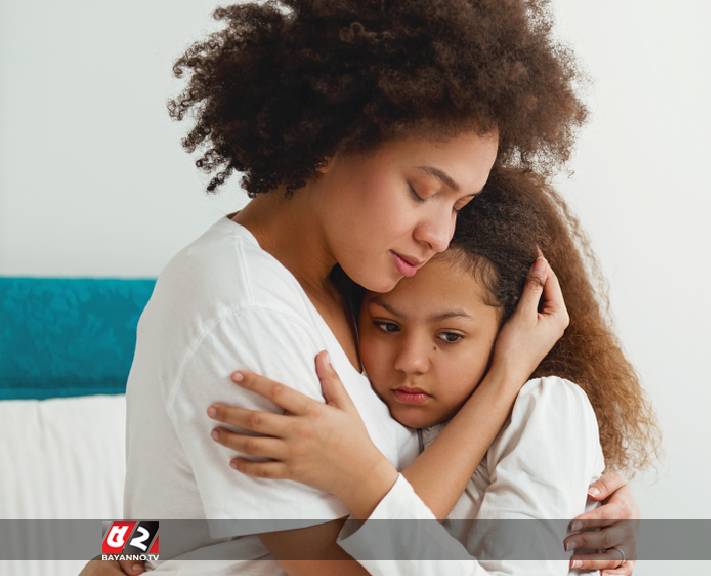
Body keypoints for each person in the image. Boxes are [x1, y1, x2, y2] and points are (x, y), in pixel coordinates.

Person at [80, 1, 637, 575]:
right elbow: (344, 563)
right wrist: (504, 381)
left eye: (460, 205)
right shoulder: (244, 307)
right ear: (330, 142)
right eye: (422, 191)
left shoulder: (353, 288)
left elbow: (173, 502)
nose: (439, 235)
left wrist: (572, 497)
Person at [199, 167, 661, 574]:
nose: (410, 361)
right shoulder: (370, 406)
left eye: (450, 336)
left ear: (513, 330)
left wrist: (363, 480)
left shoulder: (545, 409)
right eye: (386, 326)